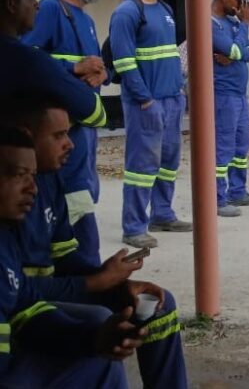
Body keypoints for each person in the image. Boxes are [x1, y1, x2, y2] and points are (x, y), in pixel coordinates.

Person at [4, 95, 188, 388]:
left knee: (158, 304)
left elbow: (59, 264)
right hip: (33, 308)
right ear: (27, 134)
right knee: (98, 327)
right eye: (59, 135)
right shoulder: (9, 211)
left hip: (40, 301)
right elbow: (22, 293)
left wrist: (114, 281)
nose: (70, 144)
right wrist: (96, 284)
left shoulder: (50, 183)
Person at [0, 125, 139, 388]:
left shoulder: (5, 237)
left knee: (100, 359)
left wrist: (94, 338)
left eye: (33, 175)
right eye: (19, 175)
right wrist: (96, 283)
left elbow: (27, 305)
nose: (33, 188)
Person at [18, 0, 106, 265]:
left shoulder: (87, 21)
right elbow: (26, 60)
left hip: (85, 135)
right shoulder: (52, 10)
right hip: (61, 132)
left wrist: (101, 72)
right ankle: (86, 275)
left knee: (83, 200)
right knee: (77, 216)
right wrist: (74, 68)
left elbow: (89, 66)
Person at [109, 0, 190, 248]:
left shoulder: (165, 9)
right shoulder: (127, 12)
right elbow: (124, 62)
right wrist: (145, 100)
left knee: (168, 162)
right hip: (147, 104)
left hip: (172, 100)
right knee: (141, 167)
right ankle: (133, 227)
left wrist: (179, 92)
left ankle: (162, 214)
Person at [0, 0, 107, 130]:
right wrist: (73, 68)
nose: (37, 5)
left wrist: (103, 74)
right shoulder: (25, 58)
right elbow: (96, 113)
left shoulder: (88, 21)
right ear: (11, 4)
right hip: (65, 125)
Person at [211, 0, 249, 217]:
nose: (243, 6)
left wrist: (235, 53)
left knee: (241, 145)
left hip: (239, 95)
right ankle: (217, 199)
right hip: (223, 95)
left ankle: (238, 191)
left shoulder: (234, 23)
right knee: (223, 148)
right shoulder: (211, 24)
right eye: (238, 0)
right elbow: (235, 50)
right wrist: (243, 28)